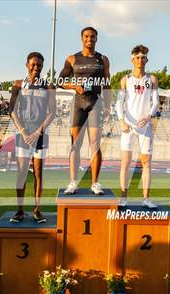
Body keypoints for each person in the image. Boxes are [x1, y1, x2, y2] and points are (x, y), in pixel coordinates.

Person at [58, 26, 111, 195]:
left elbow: (107, 85)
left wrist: (108, 106)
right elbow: (60, 80)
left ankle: (95, 183)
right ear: (82, 38)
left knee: (95, 144)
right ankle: (73, 182)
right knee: (76, 144)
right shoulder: (72, 59)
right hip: (78, 104)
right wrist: (74, 85)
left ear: (96, 39)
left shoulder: (103, 59)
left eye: (93, 36)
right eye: (87, 36)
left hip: (95, 103)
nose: (90, 39)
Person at [9, 52, 56, 223]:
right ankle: (20, 210)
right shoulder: (18, 84)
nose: (36, 68)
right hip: (23, 133)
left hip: (40, 133)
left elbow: (53, 112)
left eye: (39, 65)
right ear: (27, 64)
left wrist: (37, 132)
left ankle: (37, 210)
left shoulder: (48, 86)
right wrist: (23, 131)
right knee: (21, 173)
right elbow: (12, 111)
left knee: (38, 173)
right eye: (33, 64)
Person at [116, 45, 159, 208]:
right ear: (132, 59)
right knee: (125, 163)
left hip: (145, 127)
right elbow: (119, 103)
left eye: (143, 57)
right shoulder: (126, 79)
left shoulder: (152, 79)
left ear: (147, 59)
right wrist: (121, 120)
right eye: (138, 57)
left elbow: (155, 102)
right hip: (128, 127)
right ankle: (123, 196)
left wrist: (149, 116)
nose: (141, 60)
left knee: (146, 163)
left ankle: (146, 198)